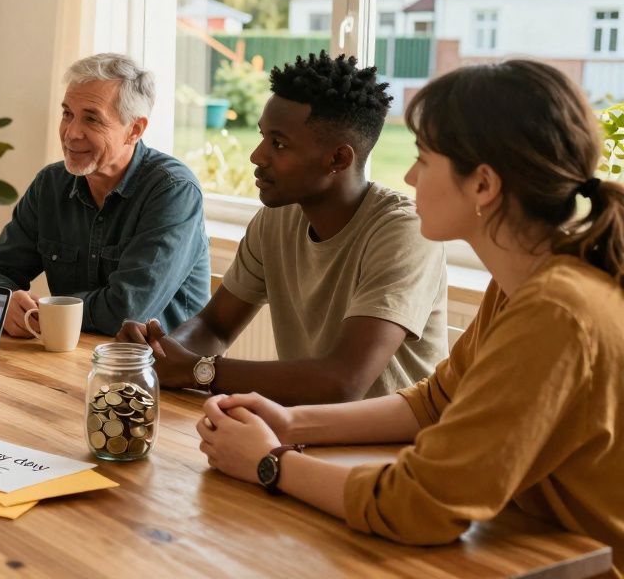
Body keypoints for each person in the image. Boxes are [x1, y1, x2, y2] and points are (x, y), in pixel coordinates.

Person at [197, 60, 624, 576]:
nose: (408, 175)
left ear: (483, 185)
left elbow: (419, 505)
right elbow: (435, 402)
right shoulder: (520, 286)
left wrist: (272, 464)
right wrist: (291, 421)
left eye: (424, 158)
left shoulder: (556, 311)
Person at [119, 52, 447, 404]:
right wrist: (158, 354)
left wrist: (199, 370)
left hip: (394, 450)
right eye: (263, 137)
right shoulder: (276, 219)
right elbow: (215, 326)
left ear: (338, 159)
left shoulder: (404, 232)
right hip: (303, 432)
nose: (257, 156)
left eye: (278, 143)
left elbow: (344, 381)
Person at [0, 53, 210, 337]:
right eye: (67, 114)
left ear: (134, 129)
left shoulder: (173, 190)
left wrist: (43, 313)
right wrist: (5, 299)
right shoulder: (50, 184)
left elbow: (126, 310)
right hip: (70, 359)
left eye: (92, 119)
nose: (71, 133)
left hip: (156, 370)